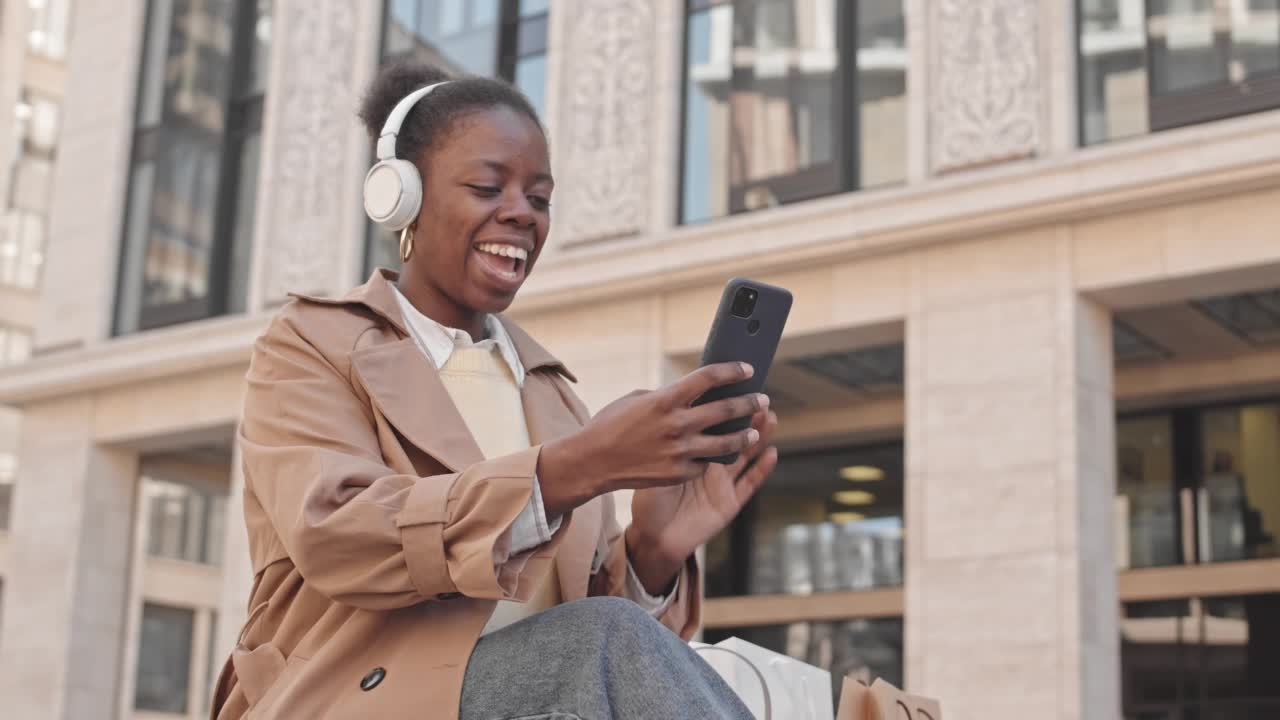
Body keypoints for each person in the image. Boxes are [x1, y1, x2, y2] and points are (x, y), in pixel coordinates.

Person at [209, 59, 780, 720]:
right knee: (606, 640)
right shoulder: (312, 345)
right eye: (488, 186)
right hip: (352, 700)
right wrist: (579, 467)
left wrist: (655, 550)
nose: (521, 214)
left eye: (539, 198)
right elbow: (338, 532)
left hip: (520, 701)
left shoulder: (553, 395)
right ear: (401, 197)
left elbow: (586, 640)